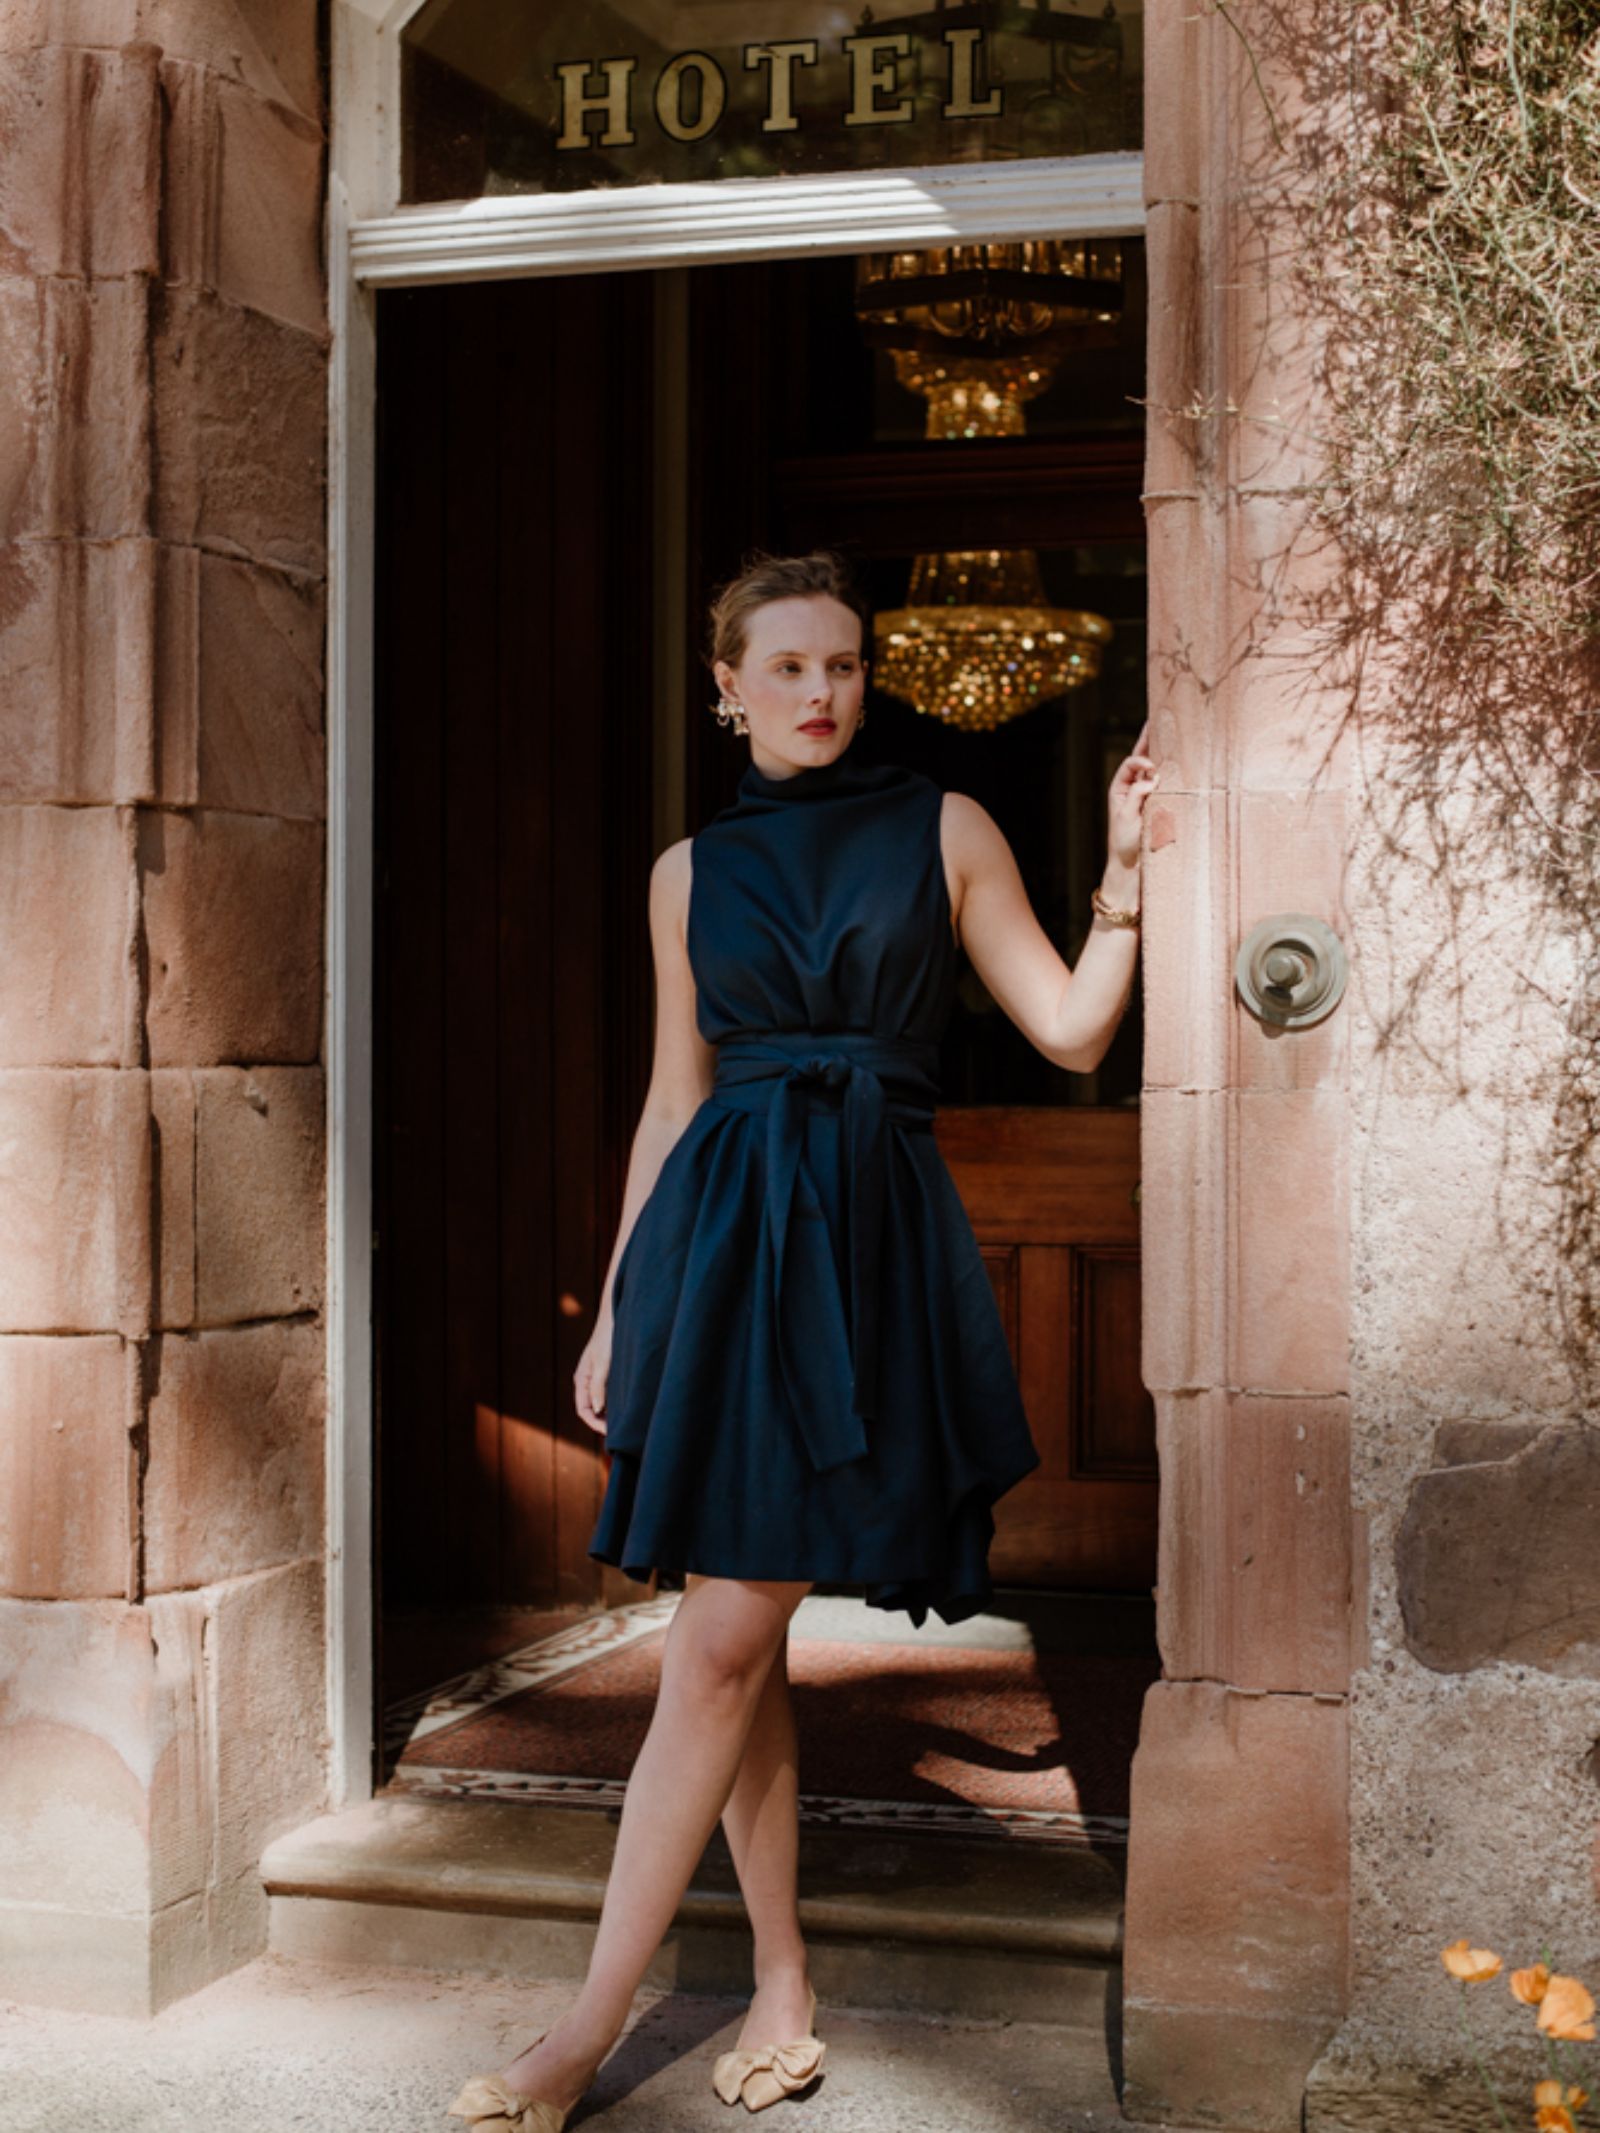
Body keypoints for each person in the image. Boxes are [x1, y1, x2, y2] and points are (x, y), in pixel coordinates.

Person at [448, 550, 1157, 2132]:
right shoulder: (687, 874)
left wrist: (1123, 879)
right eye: (787, 667)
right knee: (735, 1621)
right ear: (727, 689)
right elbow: (672, 1099)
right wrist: (625, 1293)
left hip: (867, 1238)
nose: (821, 691)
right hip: (721, 1241)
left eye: (842, 664)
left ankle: (583, 2028)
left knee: (716, 1632)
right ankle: (779, 1980)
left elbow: (1074, 1027)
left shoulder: (946, 830)